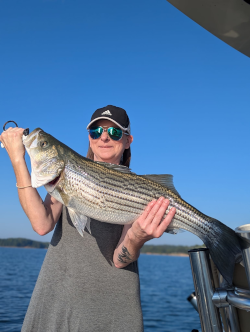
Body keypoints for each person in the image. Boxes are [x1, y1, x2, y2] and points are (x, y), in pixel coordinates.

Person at [0, 105, 176, 332]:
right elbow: (41, 224)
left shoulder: (139, 191)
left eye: (114, 132)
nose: (103, 137)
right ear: (90, 139)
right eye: (96, 132)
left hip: (111, 309)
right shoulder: (67, 175)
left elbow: (119, 260)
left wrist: (137, 237)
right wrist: (17, 159)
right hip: (57, 300)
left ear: (128, 140)